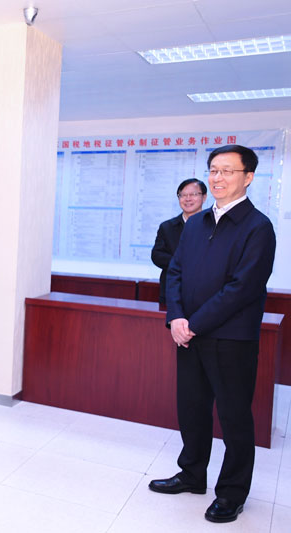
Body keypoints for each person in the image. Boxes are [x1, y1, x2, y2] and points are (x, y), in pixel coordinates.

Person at [149, 145, 276, 524]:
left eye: (227, 171)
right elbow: (175, 272)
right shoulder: (196, 223)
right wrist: (176, 317)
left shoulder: (258, 227)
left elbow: (242, 288)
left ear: (248, 177)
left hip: (231, 338)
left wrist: (193, 323)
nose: (218, 178)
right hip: (188, 334)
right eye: (214, 170)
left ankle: (232, 493)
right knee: (192, 408)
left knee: (234, 417)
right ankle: (191, 474)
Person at [151, 178, 207, 305]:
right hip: (172, 292)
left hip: (204, 294)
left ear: (204, 197)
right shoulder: (167, 227)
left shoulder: (214, 226)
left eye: (193, 194)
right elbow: (157, 255)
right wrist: (183, 263)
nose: (188, 199)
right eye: (183, 195)